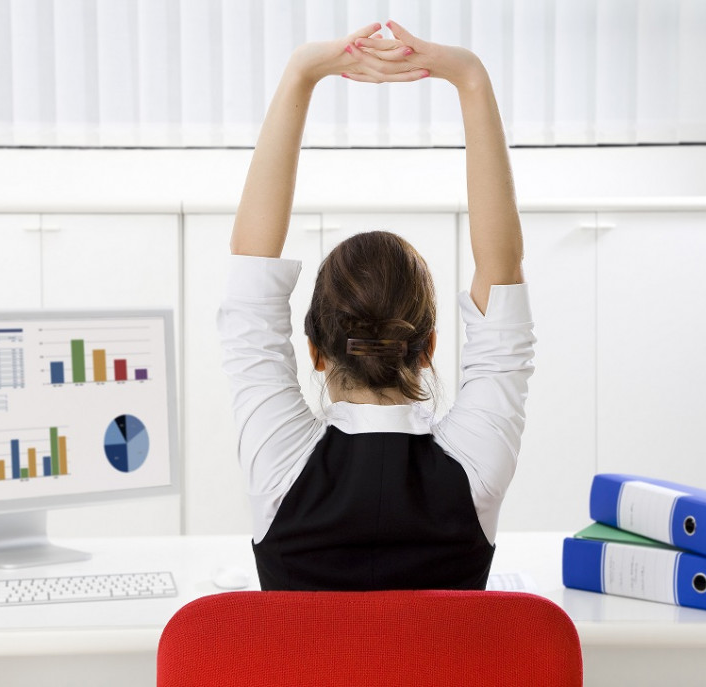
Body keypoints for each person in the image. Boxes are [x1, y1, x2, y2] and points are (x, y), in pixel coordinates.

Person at [218, 21, 535, 591]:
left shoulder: (280, 465)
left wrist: (302, 74)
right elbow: (502, 273)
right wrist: (470, 79)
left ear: (315, 351)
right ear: (429, 346)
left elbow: (250, 267)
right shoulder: (475, 470)